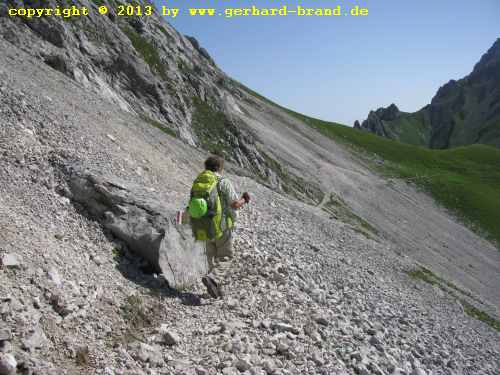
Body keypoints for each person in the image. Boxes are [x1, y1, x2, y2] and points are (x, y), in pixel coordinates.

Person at [187, 156, 250, 298]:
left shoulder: (199, 181)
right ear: (220, 167)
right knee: (226, 256)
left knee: (210, 257)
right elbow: (235, 204)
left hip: (203, 225)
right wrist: (244, 199)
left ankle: (215, 287)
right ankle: (213, 279)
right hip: (221, 226)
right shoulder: (223, 182)